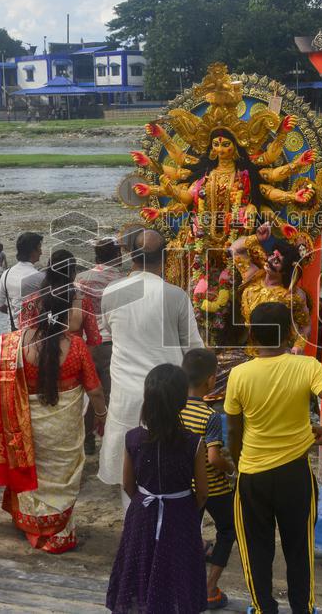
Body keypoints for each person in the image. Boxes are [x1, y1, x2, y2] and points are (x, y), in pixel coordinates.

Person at [225, 302, 322, 614]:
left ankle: (264, 607)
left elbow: (234, 431)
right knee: (299, 548)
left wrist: (240, 463)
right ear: (291, 332)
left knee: (256, 548)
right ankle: (301, 608)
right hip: (295, 474)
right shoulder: (307, 366)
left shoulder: (239, 375)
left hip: (253, 474)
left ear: (251, 334)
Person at [0, 292, 107, 553]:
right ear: (65, 315)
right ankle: (58, 528)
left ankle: (31, 521)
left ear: (35, 312)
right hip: (63, 430)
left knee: (35, 471)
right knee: (60, 474)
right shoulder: (76, 346)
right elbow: (95, 389)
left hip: (28, 427)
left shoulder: (15, 345)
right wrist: (101, 414)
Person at [98, 230, 204, 505]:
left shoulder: (111, 293)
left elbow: (108, 333)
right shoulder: (174, 296)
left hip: (126, 394)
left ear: (129, 255)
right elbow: (193, 349)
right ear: (166, 257)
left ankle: (135, 528)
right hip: (166, 393)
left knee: (128, 469)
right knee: (168, 467)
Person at [106, 364, 208, 614]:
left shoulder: (133, 438)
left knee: (142, 565)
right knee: (177, 569)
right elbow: (203, 492)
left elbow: (128, 485)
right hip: (181, 513)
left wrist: (146, 500)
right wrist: (184, 507)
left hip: (142, 512)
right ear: (181, 401)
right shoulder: (194, 442)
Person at [180, 348, 235, 610]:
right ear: (211, 380)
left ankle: (185, 584)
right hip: (213, 486)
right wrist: (230, 469)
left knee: (188, 533)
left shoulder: (175, 410)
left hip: (183, 485)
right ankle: (210, 588)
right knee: (228, 529)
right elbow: (213, 458)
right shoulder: (210, 416)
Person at [76, 237, 123, 454]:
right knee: (110, 395)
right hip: (111, 344)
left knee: (89, 394)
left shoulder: (80, 279)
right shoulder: (123, 281)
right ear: (116, 256)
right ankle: (108, 441)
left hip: (83, 344)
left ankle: (86, 436)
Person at [0, 232, 44, 329]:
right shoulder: (39, 277)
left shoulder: (6, 274)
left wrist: (13, 312)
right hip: (33, 334)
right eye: (39, 248)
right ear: (32, 251)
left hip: (12, 334)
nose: (41, 252)